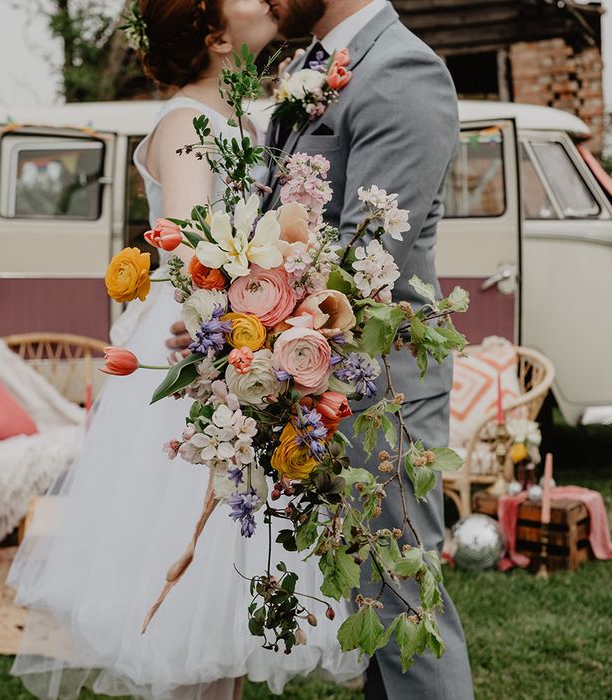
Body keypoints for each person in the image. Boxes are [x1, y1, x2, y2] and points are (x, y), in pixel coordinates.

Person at [7, 1, 365, 699]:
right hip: (199, 351)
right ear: (217, 37)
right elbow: (186, 246)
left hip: (243, 335)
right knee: (186, 592)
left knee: (223, 600)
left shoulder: (249, 116)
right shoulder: (186, 124)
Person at [266, 2, 476, 698]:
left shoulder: (402, 71)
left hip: (384, 395)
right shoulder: (311, 68)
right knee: (376, 617)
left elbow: (364, 263)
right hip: (328, 379)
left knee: (407, 608)